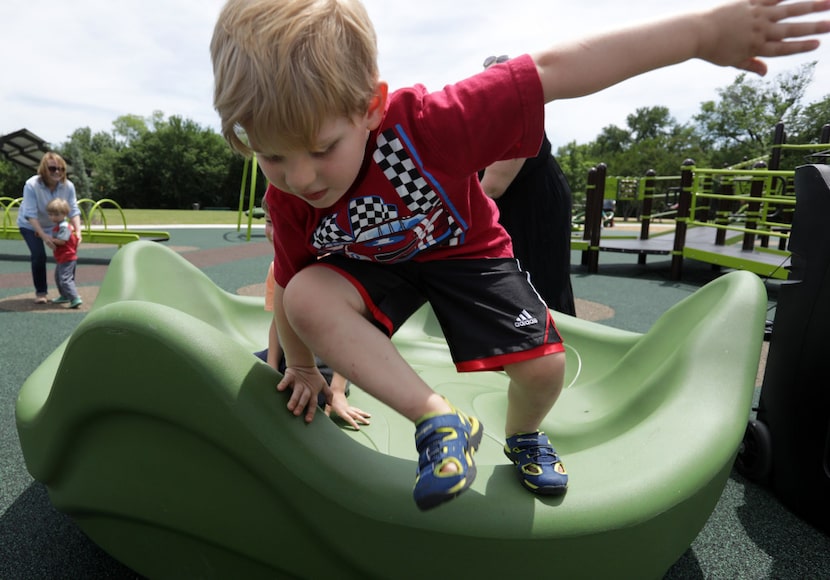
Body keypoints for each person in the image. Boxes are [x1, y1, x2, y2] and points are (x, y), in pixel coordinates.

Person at [211, 0, 830, 510]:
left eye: (321, 148)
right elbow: (290, 287)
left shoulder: (430, 125)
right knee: (308, 294)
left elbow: (555, 70)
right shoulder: (289, 199)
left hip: (463, 252)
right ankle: (439, 420)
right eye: (274, 157)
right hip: (371, 265)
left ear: (370, 108)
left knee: (543, 369)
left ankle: (526, 437)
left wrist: (700, 32)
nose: (303, 177)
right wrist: (305, 367)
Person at [254, 197, 371, 430]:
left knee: (304, 403)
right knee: (243, 371)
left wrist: (337, 390)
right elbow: (278, 322)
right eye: (270, 221)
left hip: (327, 362)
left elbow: (350, 334)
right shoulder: (276, 267)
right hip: (290, 354)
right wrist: (270, 367)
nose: (276, 230)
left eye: (284, 223)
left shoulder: (331, 268)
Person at [479, 54, 576, 316]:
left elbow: (491, 187)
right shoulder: (490, 120)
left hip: (532, 207)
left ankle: (545, 336)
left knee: (537, 278)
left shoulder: (515, 114)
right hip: (519, 201)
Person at [17, 152, 82, 304]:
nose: (57, 172)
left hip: (57, 224)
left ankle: (67, 292)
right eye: (52, 168)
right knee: (39, 255)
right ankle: (41, 292)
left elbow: (73, 210)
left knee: (68, 254)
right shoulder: (32, 185)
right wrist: (44, 236)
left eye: (61, 168)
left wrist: (78, 232)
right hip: (30, 225)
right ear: (44, 169)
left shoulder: (68, 186)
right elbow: (30, 214)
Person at [45, 198, 83, 309]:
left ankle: (74, 297)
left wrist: (49, 239)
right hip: (63, 257)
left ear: (65, 214)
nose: (53, 217)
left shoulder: (64, 227)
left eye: (56, 214)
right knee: (58, 277)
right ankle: (65, 295)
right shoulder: (59, 226)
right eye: (50, 214)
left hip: (67, 257)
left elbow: (62, 241)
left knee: (65, 279)